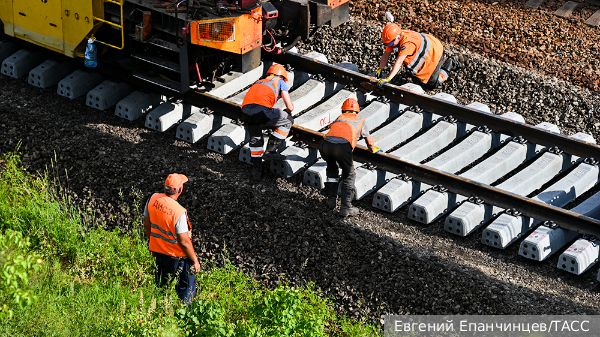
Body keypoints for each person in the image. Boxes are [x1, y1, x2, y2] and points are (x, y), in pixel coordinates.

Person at [143, 173, 200, 304]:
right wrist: (195, 260)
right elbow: (184, 241)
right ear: (180, 189)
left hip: (158, 252)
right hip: (177, 256)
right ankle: (186, 316)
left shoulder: (152, 199)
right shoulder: (178, 211)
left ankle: (160, 310)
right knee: (186, 288)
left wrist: (151, 243)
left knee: (162, 285)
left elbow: (147, 223)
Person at [319, 98, 377, 217]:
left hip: (325, 144)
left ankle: (331, 200)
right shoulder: (361, 119)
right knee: (349, 174)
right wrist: (372, 150)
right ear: (357, 110)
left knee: (332, 169)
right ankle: (346, 207)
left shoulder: (339, 117)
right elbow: (369, 142)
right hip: (342, 146)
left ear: (343, 109)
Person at [241, 64, 295, 181]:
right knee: (288, 120)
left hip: (245, 112)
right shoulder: (280, 82)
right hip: (261, 111)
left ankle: (257, 171)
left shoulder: (260, 82)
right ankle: (271, 151)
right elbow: (290, 107)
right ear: (282, 76)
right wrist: (287, 111)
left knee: (255, 137)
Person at [375, 23, 460, 89]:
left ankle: (451, 62)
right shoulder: (396, 37)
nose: (389, 45)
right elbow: (386, 54)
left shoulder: (407, 43)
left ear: (398, 38)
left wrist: (388, 79)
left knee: (432, 84)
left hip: (435, 52)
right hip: (429, 47)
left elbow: (399, 62)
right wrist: (380, 68)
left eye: (390, 43)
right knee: (421, 78)